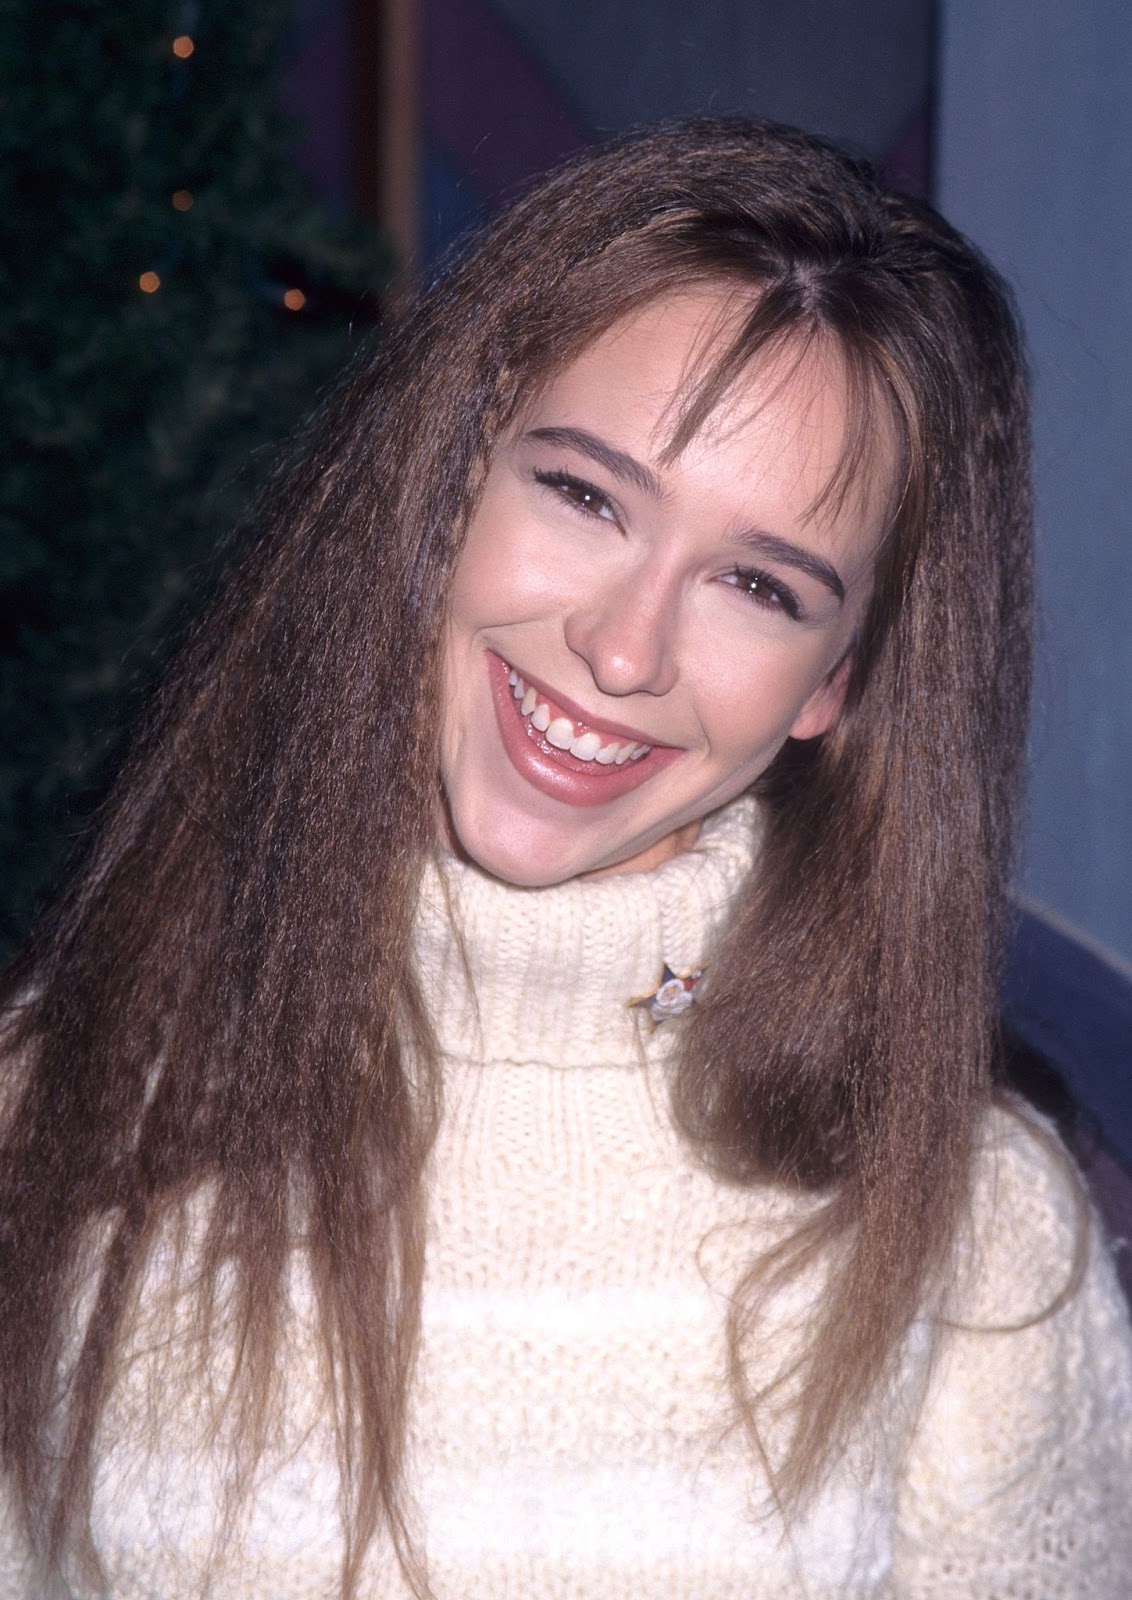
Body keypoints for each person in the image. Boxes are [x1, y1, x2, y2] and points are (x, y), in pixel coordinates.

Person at [0, 119, 1129, 1600]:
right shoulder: (50, 1108)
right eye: (586, 495)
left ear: (836, 686)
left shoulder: (967, 1228)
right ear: (451, 478)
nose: (621, 646)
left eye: (757, 583)